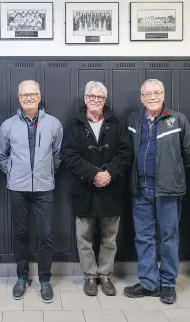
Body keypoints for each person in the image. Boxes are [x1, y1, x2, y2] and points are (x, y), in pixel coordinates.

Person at [124, 79, 190, 305]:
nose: (152, 97)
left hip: (168, 190)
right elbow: (127, 153)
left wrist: (176, 178)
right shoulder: (134, 120)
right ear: (141, 98)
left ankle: (167, 284)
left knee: (168, 239)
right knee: (144, 238)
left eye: (156, 93)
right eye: (147, 94)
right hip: (141, 190)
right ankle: (148, 283)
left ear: (164, 95)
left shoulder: (177, 120)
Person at [63, 81, 132, 297]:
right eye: (92, 97)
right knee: (84, 237)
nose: (95, 101)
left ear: (105, 100)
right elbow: (69, 155)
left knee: (109, 237)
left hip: (111, 190)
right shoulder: (73, 125)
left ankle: (105, 275)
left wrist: (107, 174)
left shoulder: (116, 124)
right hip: (84, 189)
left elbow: (125, 153)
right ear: (85, 99)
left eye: (100, 98)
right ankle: (90, 276)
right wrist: (93, 174)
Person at [0, 80, 63, 303]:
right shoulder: (7, 125)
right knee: (20, 234)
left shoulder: (53, 124)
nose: (28, 98)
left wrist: (44, 173)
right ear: (19, 97)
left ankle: (45, 279)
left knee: (45, 235)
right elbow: (2, 156)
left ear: (39, 96)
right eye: (24, 95)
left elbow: (57, 155)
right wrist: (15, 172)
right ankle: (22, 278)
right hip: (18, 188)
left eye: (32, 94)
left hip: (44, 187)